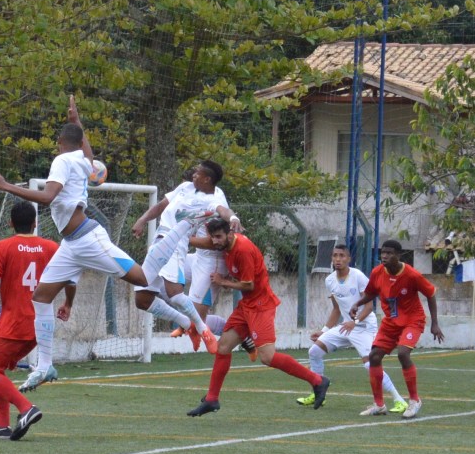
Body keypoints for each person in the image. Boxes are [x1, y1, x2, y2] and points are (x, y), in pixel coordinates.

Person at [0, 95, 204, 391]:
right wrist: (78, 122)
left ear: (59, 143)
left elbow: (47, 197)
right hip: (70, 244)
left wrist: (6, 186)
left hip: (88, 239)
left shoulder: (62, 160)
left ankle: (184, 225)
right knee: (41, 297)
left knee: (143, 278)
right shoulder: (81, 160)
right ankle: (45, 366)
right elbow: (89, 155)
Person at [187, 218, 330, 417]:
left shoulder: (243, 249)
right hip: (247, 305)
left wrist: (223, 282)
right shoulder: (226, 244)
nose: (215, 241)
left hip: (260, 306)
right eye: (213, 238)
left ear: (230, 234)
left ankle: (318, 381)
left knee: (267, 357)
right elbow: (208, 244)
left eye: (218, 237)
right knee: (223, 347)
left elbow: (249, 285)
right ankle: (211, 399)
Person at [0, 201, 75, 441]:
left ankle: (26, 408)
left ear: (10, 223)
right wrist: (68, 303)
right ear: (35, 223)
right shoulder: (51, 247)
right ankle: (1, 425)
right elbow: (71, 279)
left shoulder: (4, 246)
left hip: (15, 322)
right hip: (40, 324)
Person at [131, 161, 238, 353]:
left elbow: (223, 213)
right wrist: (142, 219)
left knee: (176, 295)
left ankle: (206, 330)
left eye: (198, 173)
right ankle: (188, 324)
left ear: (207, 179)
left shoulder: (213, 198)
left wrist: (233, 218)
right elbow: (161, 205)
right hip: (160, 241)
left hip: (176, 245)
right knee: (142, 299)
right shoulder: (185, 187)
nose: (193, 174)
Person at [295, 244, 407, 413]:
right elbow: (336, 309)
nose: (337, 259)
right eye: (335, 255)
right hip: (346, 326)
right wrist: (324, 331)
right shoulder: (330, 280)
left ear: (349, 259)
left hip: (364, 326)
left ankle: (399, 400)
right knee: (314, 352)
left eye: (342, 256)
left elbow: (369, 306)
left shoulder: (358, 276)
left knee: (370, 364)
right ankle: (317, 392)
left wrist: (355, 321)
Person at [350, 239, 444, 419]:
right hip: (391, 322)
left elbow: (431, 294)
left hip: (413, 320)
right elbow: (372, 292)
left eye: (389, 253)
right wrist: (358, 303)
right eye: (383, 252)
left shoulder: (411, 275)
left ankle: (414, 401)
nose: (384, 256)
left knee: (403, 353)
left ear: (399, 255)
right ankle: (379, 405)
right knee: (374, 356)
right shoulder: (377, 272)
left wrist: (434, 323)